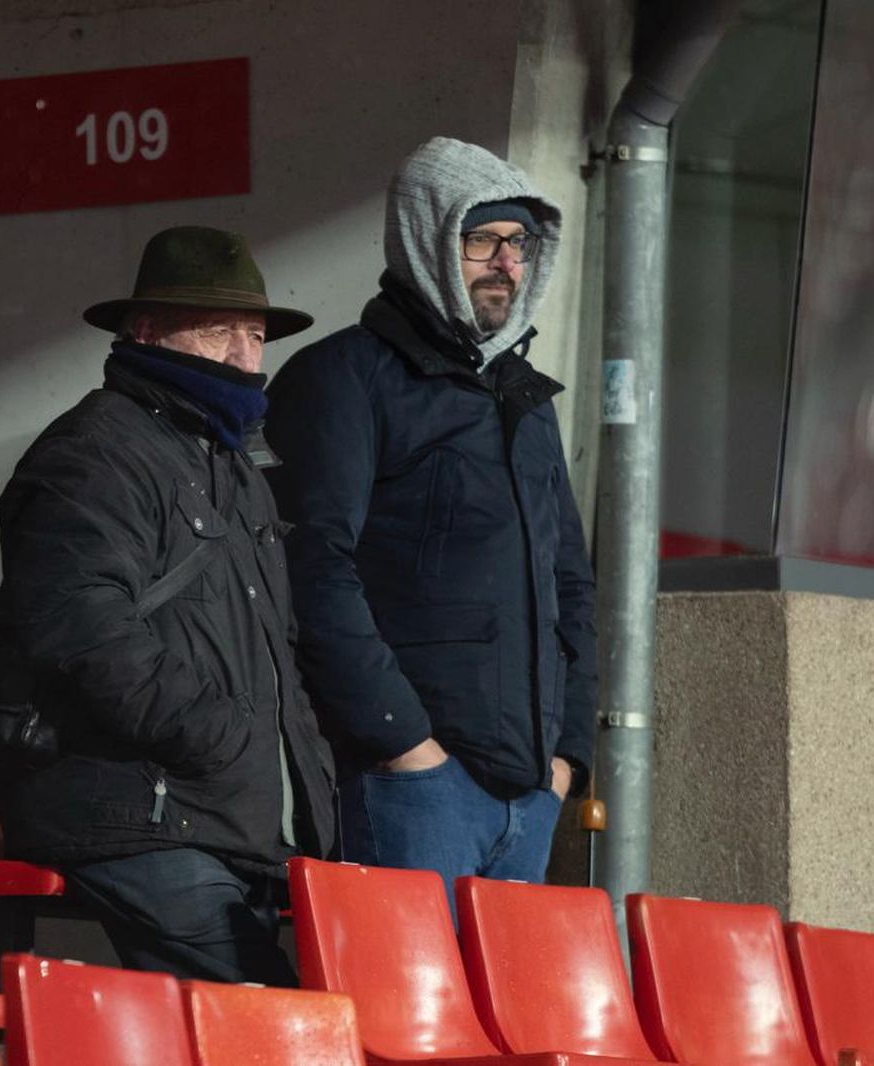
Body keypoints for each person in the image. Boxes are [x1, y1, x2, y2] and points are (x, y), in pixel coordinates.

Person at [0, 226, 336, 984]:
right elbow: (81, 629)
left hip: (220, 817)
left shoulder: (232, 465)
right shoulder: (94, 452)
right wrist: (221, 738)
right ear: (146, 331)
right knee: (266, 1023)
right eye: (216, 330)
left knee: (298, 1016)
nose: (241, 355)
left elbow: (277, 646)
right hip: (139, 816)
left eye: (255, 334)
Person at [263, 137, 597, 901]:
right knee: (404, 1021)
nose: (506, 263)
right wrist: (402, 744)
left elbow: (571, 588)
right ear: (427, 241)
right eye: (481, 240)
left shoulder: (524, 399)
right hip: (415, 786)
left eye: (519, 243)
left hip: (530, 794)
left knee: (507, 1023)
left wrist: (566, 758)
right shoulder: (341, 378)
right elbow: (312, 567)